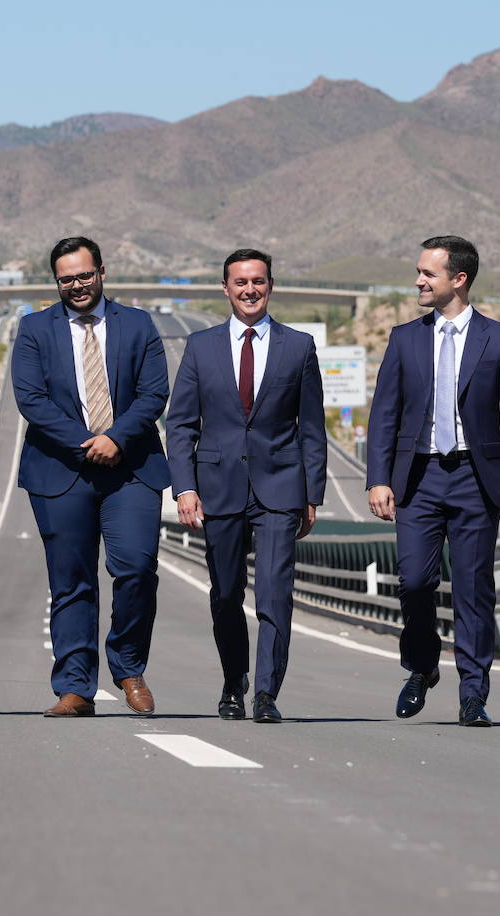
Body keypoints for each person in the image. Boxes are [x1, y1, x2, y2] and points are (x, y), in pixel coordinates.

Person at [367, 236, 500, 727]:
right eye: (419, 272)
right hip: (417, 478)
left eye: (428, 273)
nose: (418, 281)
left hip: (476, 478)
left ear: (458, 279)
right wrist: (378, 478)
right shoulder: (405, 338)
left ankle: (473, 695)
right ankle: (422, 666)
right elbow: (384, 414)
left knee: (472, 588)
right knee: (415, 581)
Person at [13, 237, 170, 717]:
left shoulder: (137, 324)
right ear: (56, 282)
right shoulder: (35, 328)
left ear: (102, 272)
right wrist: (87, 442)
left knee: (136, 569)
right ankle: (75, 688)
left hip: (131, 467)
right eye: (67, 279)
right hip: (61, 470)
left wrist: (116, 438)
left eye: (84, 275)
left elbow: (153, 392)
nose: (77, 285)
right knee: (71, 581)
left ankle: (128, 667)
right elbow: (31, 398)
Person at [167, 249, 327, 724]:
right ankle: (233, 680)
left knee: (274, 593)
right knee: (225, 595)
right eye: (240, 282)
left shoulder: (299, 347)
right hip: (218, 488)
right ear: (226, 288)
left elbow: (312, 428)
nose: (250, 290)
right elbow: (180, 425)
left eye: (258, 281)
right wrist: (185, 488)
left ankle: (266, 693)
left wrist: (312, 495)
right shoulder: (201, 347)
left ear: (270, 286)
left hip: (280, 488)